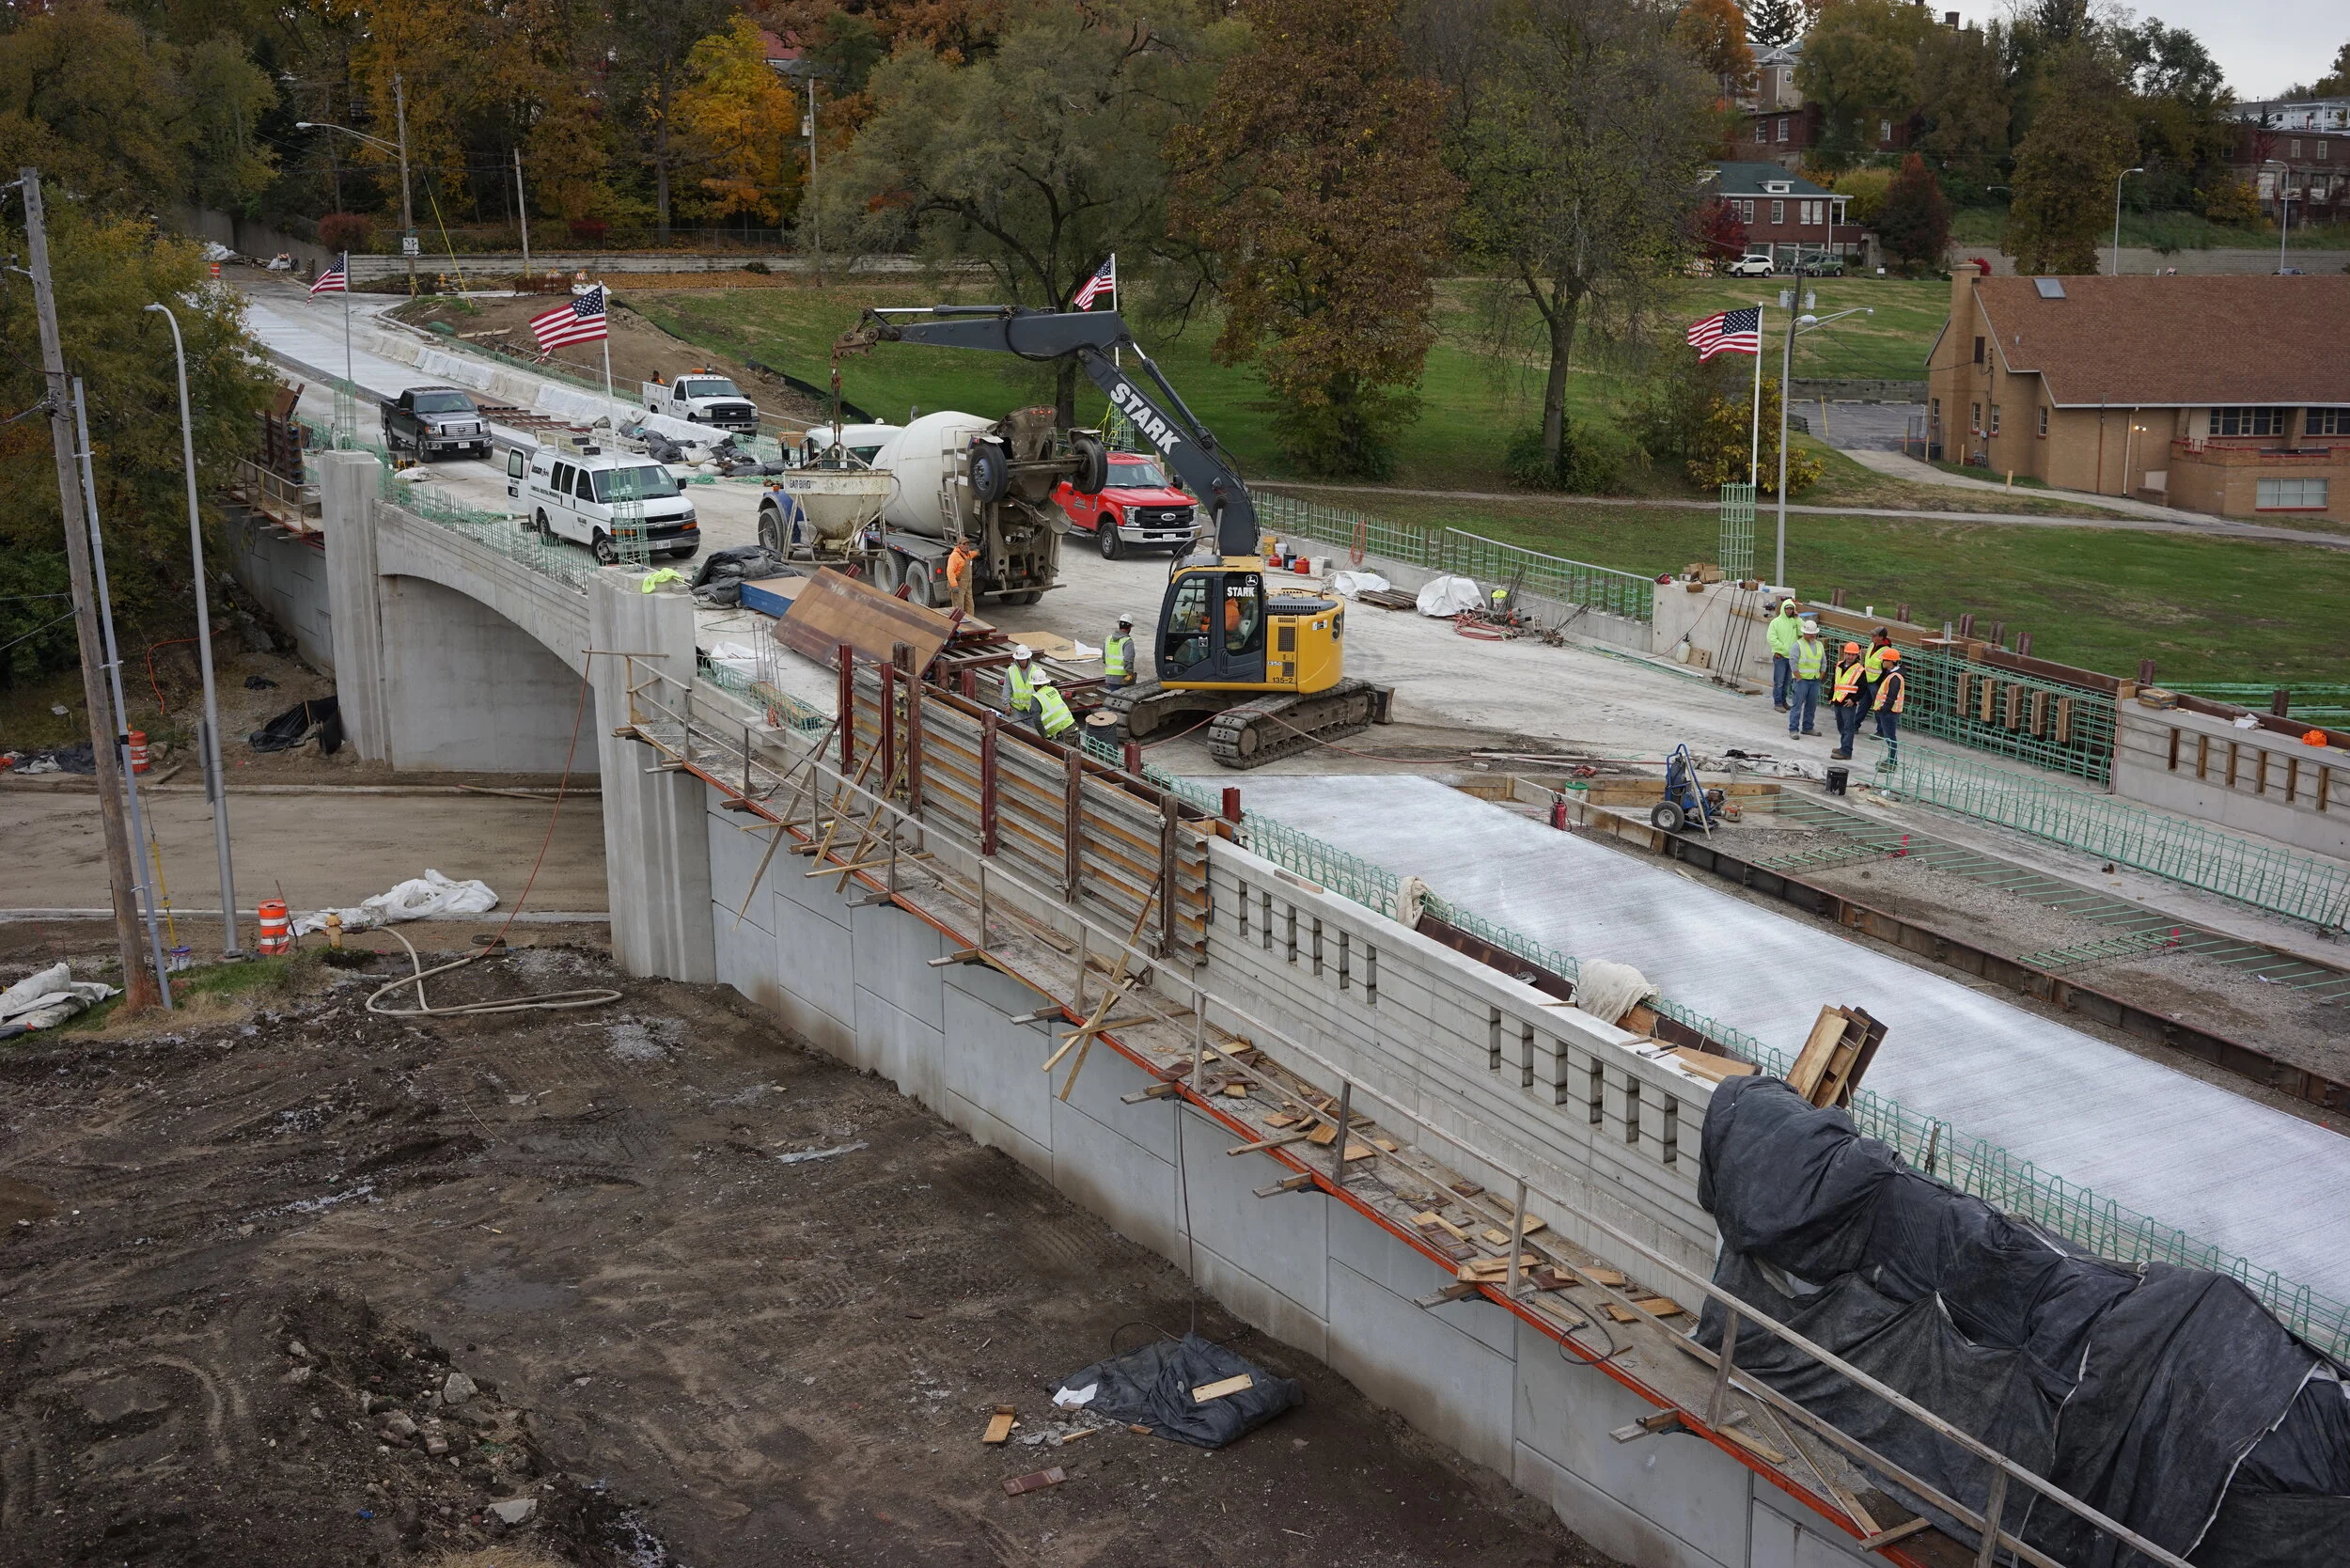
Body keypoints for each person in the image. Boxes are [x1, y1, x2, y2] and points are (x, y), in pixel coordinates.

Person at [1788, 619, 1825, 738]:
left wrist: (1820, 676)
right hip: (1802, 681)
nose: (1812, 635)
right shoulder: (1798, 645)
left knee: (1811, 705)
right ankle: (1793, 729)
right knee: (1797, 705)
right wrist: (1798, 677)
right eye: (1810, 633)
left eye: (1814, 633)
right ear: (1804, 633)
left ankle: (1808, 727)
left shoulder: (1819, 645)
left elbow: (1823, 661)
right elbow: (1793, 662)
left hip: (1814, 680)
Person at [1829, 641, 1866, 760]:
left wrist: (1853, 700)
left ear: (1856, 656)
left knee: (1848, 727)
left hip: (1848, 703)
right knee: (1841, 725)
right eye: (1848, 654)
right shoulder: (1839, 665)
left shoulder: (1860, 670)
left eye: (1853, 655)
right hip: (1838, 700)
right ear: (1844, 654)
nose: (1850, 657)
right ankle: (1843, 746)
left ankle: (1846, 751)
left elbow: (1863, 688)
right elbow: (1834, 682)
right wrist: (1830, 696)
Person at [1766, 598, 1802, 712]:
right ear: (1783, 609)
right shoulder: (1776, 622)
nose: (1790, 611)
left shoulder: (1794, 621)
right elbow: (1771, 638)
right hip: (1780, 657)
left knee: (1787, 682)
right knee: (1779, 682)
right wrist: (1784, 648)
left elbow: (1802, 631)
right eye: (1788, 609)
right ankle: (1777, 703)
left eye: (1792, 609)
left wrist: (1798, 618)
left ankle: (1783, 701)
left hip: (1790, 658)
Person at [1872, 647, 1905, 769]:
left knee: (1890, 737)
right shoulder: (1893, 675)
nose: (1882, 662)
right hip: (1889, 711)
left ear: (1890, 662)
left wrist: (1884, 709)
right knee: (1889, 736)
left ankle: (1892, 762)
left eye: (1884, 660)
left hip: (1890, 712)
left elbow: (1891, 696)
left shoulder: (1895, 677)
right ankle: (1891, 760)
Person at [1006, 644, 1039, 729]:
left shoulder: (1036, 671)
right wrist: (1006, 704)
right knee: (1016, 730)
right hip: (1016, 708)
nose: (1022, 662)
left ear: (1028, 658)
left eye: (1024, 659)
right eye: (1020, 660)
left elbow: (1041, 691)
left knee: (1034, 732)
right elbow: (1007, 688)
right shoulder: (1011, 671)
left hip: (1031, 709)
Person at [1033, 677, 1077, 741]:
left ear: (1034, 686)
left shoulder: (1036, 698)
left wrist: (1045, 735)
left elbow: (1037, 720)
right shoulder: (1053, 689)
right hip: (1071, 724)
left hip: (1060, 732)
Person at [947, 537, 979, 618]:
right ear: (959, 545)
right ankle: (958, 626)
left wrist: (978, 551)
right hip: (958, 586)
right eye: (964, 544)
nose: (966, 546)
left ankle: (970, 623)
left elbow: (973, 553)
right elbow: (950, 572)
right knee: (958, 608)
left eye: (968, 544)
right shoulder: (954, 556)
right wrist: (954, 585)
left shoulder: (968, 554)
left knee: (970, 606)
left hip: (967, 585)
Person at [1104, 613, 1136, 690]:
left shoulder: (1108, 639)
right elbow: (1128, 660)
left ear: (1119, 625)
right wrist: (1130, 674)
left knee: (1113, 698)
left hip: (1109, 678)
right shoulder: (1127, 641)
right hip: (1122, 679)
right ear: (1129, 627)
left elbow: (1103, 658)